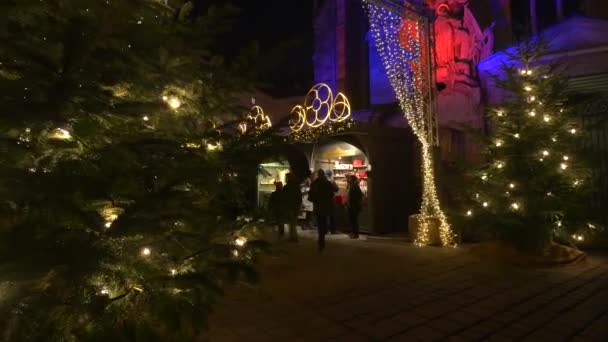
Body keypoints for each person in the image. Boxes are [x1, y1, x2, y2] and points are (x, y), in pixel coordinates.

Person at [308, 169, 338, 251]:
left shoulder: (314, 184)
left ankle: (321, 239)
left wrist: (316, 199)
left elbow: (310, 196)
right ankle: (322, 237)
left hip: (318, 206)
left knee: (320, 223)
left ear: (318, 175)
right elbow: (336, 189)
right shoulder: (328, 183)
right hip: (326, 207)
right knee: (323, 222)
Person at [281, 173, 302, 242]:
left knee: (291, 222)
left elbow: (284, 198)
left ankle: (293, 237)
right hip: (296, 206)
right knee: (293, 222)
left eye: (286, 177)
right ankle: (294, 237)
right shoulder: (296, 186)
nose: (285, 179)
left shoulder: (287, 187)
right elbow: (299, 197)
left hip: (290, 206)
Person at [325, 169, 339, 234]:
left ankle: (326, 230)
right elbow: (336, 189)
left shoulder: (321, 181)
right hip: (330, 200)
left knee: (325, 216)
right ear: (330, 175)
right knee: (332, 215)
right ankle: (332, 230)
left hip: (324, 201)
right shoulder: (331, 181)